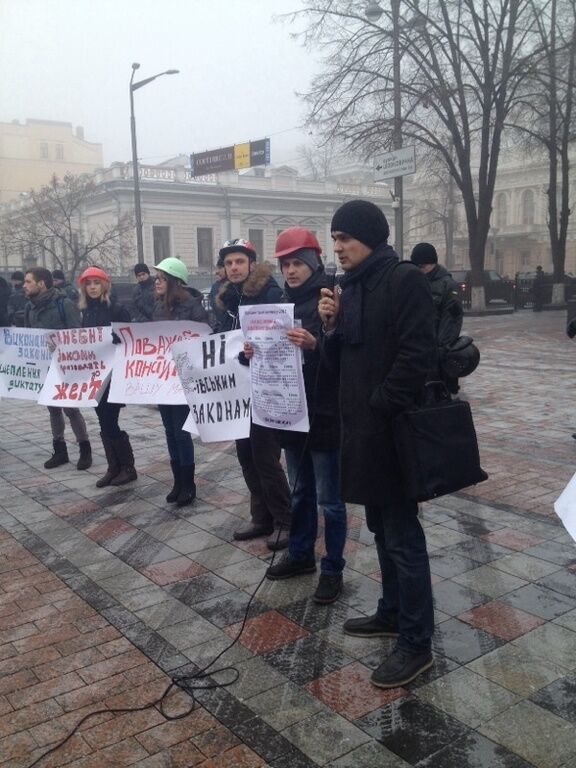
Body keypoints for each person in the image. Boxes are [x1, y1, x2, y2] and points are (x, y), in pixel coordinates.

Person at [318, 199, 436, 688]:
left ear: (370, 236)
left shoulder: (402, 278)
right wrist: (329, 327)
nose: (338, 247)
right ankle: (390, 612)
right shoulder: (352, 287)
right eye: (335, 239)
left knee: (403, 537)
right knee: (382, 529)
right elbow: (343, 360)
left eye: (345, 237)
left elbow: (417, 354)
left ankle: (416, 642)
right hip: (363, 432)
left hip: (392, 431)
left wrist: (380, 404)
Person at [262, 228, 347, 604]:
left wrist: (317, 344)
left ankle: (333, 568)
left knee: (331, 500)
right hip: (291, 416)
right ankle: (300, 555)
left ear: (313, 263)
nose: (291, 270)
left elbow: (344, 360)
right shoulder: (280, 303)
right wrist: (253, 351)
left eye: (298, 262)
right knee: (300, 493)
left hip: (325, 415)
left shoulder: (332, 298)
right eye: (286, 264)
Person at [214, 238, 292, 548]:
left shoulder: (269, 293)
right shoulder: (227, 299)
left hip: (266, 388)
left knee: (265, 458)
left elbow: (280, 339)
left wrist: (253, 350)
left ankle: (285, 520)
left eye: (239, 262)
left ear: (251, 264)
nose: (233, 267)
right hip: (238, 390)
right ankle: (261, 518)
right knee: (246, 457)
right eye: (229, 263)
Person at [23, 267, 92, 470]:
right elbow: (29, 337)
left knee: (71, 408)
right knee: (52, 408)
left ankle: (85, 449)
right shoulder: (29, 307)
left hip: (64, 366)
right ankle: (59, 450)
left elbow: (78, 336)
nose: (24, 286)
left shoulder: (64, 304)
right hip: (43, 367)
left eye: (28, 282)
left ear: (41, 284)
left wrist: (60, 344)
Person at [152, 257, 209, 506]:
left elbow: (207, 333)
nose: (157, 282)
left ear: (175, 282)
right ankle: (177, 481)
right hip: (164, 379)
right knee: (169, 431)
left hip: (184, 380)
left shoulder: (193, 307)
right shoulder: (158, 307)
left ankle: (189, 483)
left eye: (161, 278)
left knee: (181, 432)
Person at [78, 266, 137, 487]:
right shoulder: (87, 311)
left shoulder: (117, 309)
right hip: (96, 376)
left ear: (105, 285)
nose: (92, 287)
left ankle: (127, 468)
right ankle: (114, 467)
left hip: (114, 375)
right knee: (103, 421)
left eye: (96, 283)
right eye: (88, 283)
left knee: (110, 420)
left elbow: (129, 337)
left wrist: (113, 339)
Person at [410, 242, 463, 392]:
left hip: (437, 356)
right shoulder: (417, 281)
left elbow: (451, 321)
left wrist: (439, 352)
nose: (419, 270)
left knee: (438, 402)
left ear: (430, 264)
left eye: (421, 267)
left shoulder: (448, 285)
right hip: (419, 352)